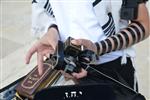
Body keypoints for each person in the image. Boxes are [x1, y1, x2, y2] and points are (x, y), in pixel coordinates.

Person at [27, 0, 149, 91]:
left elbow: (142, 25)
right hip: (74, 64)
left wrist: (97, 48)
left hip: (114, 67)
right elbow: (46, 8)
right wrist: (52, 30)